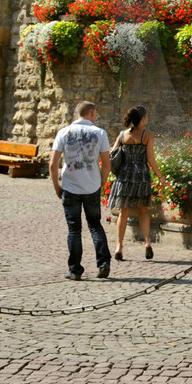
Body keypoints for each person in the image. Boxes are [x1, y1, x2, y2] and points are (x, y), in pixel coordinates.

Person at [50, 101, 111, 280]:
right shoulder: (100, 133)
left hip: (71, 186)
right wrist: (102, 183)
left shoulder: (63, 132)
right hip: (92, 186)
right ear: (91, 113)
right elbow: (106, 164)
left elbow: (53, 163)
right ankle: (104, 263)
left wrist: (56, 187)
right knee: (95, 225)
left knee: (74, 229)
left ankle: (75, 270)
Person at [107, 105, 158, 262]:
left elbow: (111, 154)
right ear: (142, 119)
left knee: (124, 212)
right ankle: (147, 243)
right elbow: (150, 159)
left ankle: (119, 247)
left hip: (125, 177)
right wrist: (160, 176)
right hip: (141, 176)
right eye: (146, 116)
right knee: (143, 211)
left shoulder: (122, 135)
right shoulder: (147, 135)